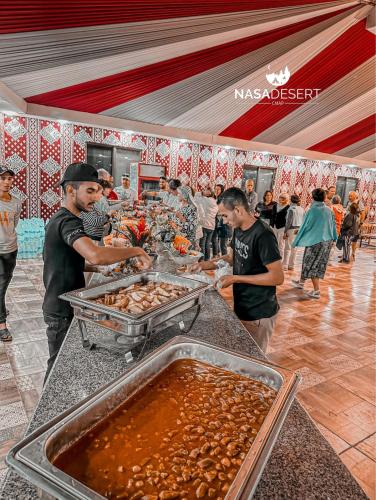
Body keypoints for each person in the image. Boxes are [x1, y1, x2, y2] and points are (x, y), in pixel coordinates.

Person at [42, 163, 151, 381]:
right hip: (61, 308)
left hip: (67, 301)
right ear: (70, 190)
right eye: (89, 191)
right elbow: (94, 254)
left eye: (97, 191)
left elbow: (67, 260)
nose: (95, 197)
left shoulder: (62, 218)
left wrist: (97, 268)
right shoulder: (67, 221)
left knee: (66, 364)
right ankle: (48, 413)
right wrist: (136, 250)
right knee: (58, 369)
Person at [195, 188, 283, 353]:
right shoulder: (238, 230)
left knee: (254, 360)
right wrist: (204, 264)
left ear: (238, 210)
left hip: (260, 311)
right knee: (242, 352)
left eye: (224, 215)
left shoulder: (263, 234)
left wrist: (236, 278)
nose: (223, 221)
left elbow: (277, 277)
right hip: (243, 305)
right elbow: (230, 258)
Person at [291, 188, 337, 299]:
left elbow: (304, 226)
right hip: (327, 242)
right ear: (324, 197)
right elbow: (333, 226)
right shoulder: (329, 210)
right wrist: (334, 238)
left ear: (312, 197)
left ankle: (316, 291)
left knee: (312, 265)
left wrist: (296, 240)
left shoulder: (312, 210)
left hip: (315, 242)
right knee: (314, 263)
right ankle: (301, 282)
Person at [0, 166, 22, 342]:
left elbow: (14, 224)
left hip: (10, 249)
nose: (7, 182)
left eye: (9, 178)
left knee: (4, 283)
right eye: (3, 178)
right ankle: (2, 325)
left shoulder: (15, 202)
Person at [283, 194, 304, 271]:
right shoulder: (301, 209)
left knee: (287, 248)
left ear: (291, 200)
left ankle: (285, 265)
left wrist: (285, 232)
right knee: (294, 249)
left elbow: (288, 222)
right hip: (298, 230)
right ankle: (291, 265)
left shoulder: (291, 209)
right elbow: (303, 221)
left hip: (291, 229)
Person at [197, 187, 218, 260]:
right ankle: (207, 259)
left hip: (204, 225)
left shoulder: (205, 200)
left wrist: (202, 193)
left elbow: (194, 196)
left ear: (209, 192)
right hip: (212, 226)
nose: (203, 190)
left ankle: (201, 261)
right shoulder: (216, 201)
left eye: (205, 190)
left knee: (202, 244)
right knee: (208, 244)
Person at [212, 184, 231, 257]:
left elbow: (222, 211)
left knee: (223, 244)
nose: (216, 191)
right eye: (215, 189)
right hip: (216, 221)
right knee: (215, 239)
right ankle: (217, 255)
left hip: (223, 223)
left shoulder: (223, 199)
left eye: (218, 189)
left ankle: (225, 261)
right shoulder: (214, 198)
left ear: (222, 190)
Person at [346, 191, 365, 261]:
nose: (349, 197)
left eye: (351, 196)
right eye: (349, 196)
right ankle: (345, 254)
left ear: (355, 196)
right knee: (346, 239)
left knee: (354, 239)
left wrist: (361, 223)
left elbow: (363, 213)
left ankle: (353, 254)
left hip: (355, 224)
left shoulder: (359, 202)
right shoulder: (349, 202)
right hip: (348, 223)